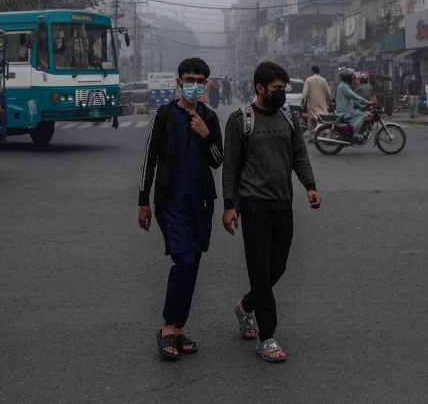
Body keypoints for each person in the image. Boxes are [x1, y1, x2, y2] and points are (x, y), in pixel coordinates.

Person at [222, 61, 320, 363]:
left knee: (277, 267)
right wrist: (229, 206)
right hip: (254, 205)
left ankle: (246, 305)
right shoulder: (240, 120)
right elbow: (231, 167)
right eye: (277, 88)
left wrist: (310, 185)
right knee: (260, 271)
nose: (281, 93)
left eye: (283, 88)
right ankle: (267, 337)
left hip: (283, 203)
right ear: (260, 88)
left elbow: (299, 155)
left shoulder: (289, 116)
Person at [138, 58, 224, 361]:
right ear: (179, 82)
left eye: (200, 80)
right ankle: (167, 326)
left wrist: (205, 135)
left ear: (206, 84)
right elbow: (149, 159)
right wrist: (143, 201)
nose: (194, 85)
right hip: (172, 201)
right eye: (189, 79)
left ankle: (177, 328)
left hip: (201, 203)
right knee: (184, 261)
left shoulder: (209, 118)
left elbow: (218, 160)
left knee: (193, 264)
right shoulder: (164, 116)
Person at [335, 68, 369, 143]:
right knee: (361, 115)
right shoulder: (344, 87)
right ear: (347, 78)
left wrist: (361, 106)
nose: (352, 78)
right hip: (346, 111)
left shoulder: (344, 85)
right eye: (351, 77)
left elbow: (351, 100)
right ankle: (355, 134)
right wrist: (367, 102)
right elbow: (354, 96)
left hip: (346, 109)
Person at [300, 65, 333, 142]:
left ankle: (312, 137)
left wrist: (302, 102)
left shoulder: (308, 80)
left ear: (312, 71)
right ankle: (325, 133)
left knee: (311, 119)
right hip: (322, 103)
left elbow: (305, 92)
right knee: (323, 118)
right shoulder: (323, 80)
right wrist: (330, 102)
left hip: (312, 103)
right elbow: (329, 93)